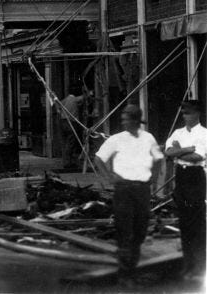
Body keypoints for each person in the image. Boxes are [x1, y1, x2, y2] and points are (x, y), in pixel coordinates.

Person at [94, 104, 164, 287]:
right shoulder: (116, 139)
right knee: (125, 230)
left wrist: (153, 178)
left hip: (142, 190)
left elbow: (158, 158)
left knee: (140, 230)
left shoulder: (148, 138)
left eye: (127, 118)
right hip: (123, 190)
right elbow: (99, 159)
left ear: (135, 120)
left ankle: (131, 270)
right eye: (123, 118)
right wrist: (109, 177)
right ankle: (125, 275)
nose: (124, 122)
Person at [164, 99, 207, 282]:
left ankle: (199, 267)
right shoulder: (178, 132)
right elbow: (167, 152)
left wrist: (179, 151)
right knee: (184, 222)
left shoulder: (204, 134)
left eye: (187, 112)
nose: (184, 116)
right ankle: (188, 265)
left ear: (197, 113)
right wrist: (186, 150)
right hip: (181, 177)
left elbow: (198, 156)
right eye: (183, 113)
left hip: (195, 177)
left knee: (197, 222)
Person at [59, 85, 84, 171]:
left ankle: (66, 161)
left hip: (63, 122)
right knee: (70, 143)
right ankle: (68, 163)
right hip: (70, 123)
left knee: (65, 143)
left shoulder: (66, 99)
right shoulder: (75, 99)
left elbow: (58, 105)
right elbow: (83, 98)